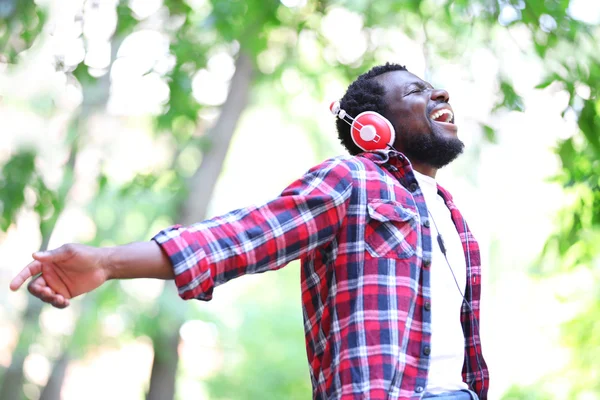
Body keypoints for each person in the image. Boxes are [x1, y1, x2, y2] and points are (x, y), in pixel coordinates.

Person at [10, 63, 489, 400]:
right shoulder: (354, 181)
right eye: (416, 91)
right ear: (372, 129)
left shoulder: (455, 218)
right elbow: (244, 237)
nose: (440, 94)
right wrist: (107, 261)